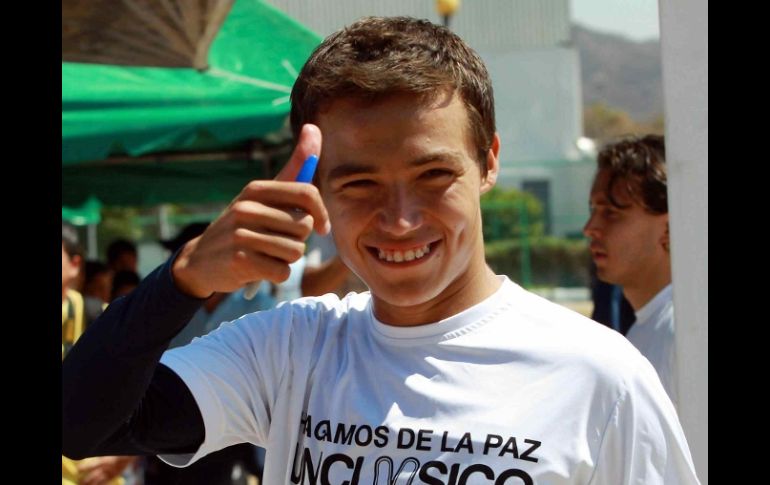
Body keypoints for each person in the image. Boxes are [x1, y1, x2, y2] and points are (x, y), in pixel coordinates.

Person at [63, 17, 699, 484]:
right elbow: (81, 423)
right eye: (359, 183)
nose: (399, 220)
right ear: (316, 189)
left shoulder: (600, 376)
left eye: (433, 175)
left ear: (488, 162)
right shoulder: (291, 348)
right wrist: (184, 278)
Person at [583, 135, 678, 404]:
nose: (590, 228)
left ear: (669, 226)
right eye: (593, 210)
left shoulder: (680, 332)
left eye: (611, 212)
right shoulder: (648, 328)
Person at [62, 223, 136, 485]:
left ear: (75, 264)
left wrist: (126, 455)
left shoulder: (102, 318)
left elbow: (148, 384)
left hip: (93, 476)